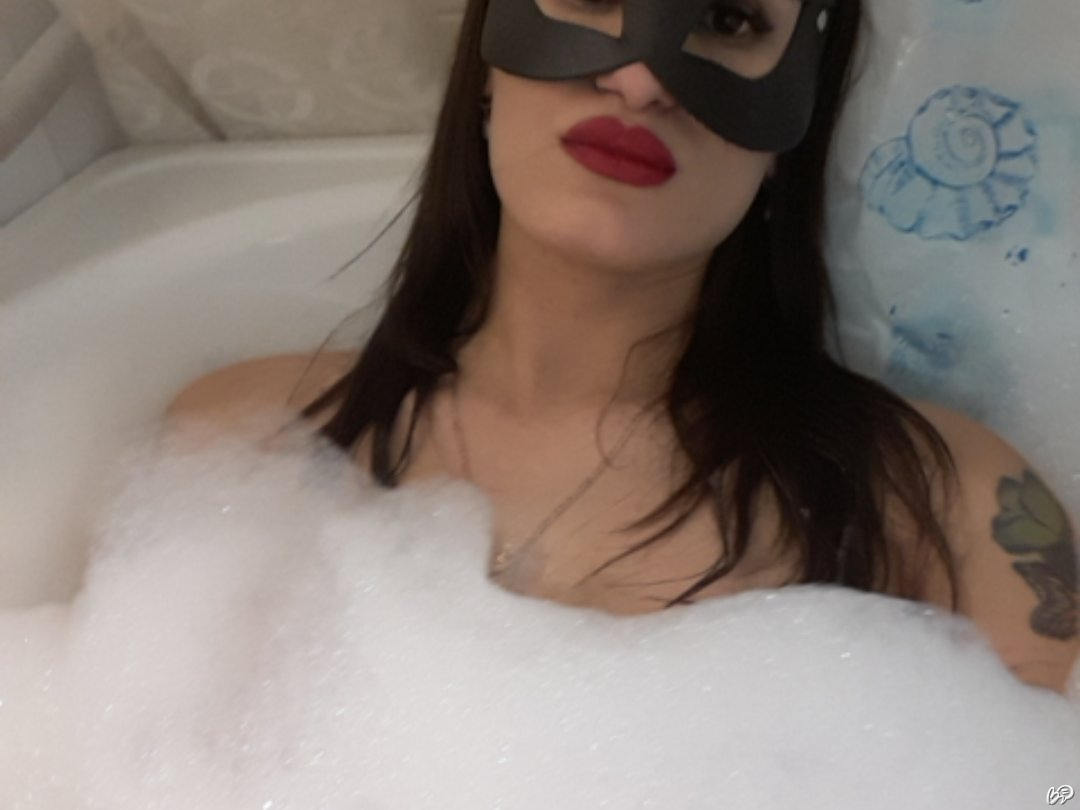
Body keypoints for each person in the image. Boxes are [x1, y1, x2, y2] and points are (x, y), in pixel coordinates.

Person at [164, 0, 1079, 693]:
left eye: (729, 18)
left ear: (793, 128)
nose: (640, 82)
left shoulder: (953, 510)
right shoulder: (238, 443)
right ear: (485, 61)